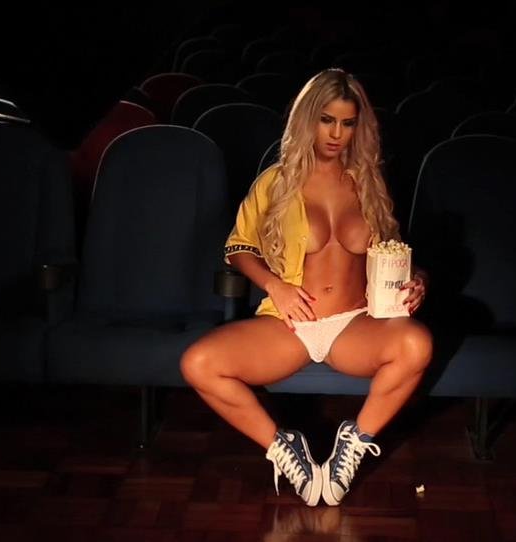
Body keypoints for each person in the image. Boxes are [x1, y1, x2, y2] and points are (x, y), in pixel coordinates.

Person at [180, 69, 433, 507]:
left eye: (347, 123)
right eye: (326, 120)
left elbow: (394, 252)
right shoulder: (276, 181)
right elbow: (238, 247)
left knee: (417, 344)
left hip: (355, 324)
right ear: (307, 119)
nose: (336, 134)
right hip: (290, 324)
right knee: (198, 363)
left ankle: (352, 446)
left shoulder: (369, 184)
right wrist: (274, 285)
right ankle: (283, 448)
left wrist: (418, 281)